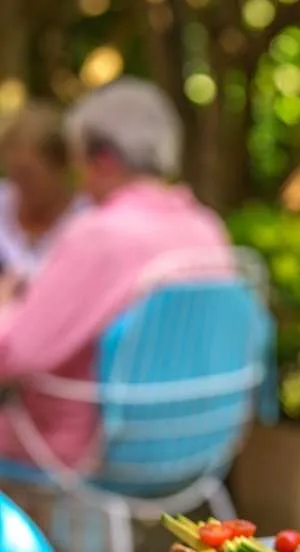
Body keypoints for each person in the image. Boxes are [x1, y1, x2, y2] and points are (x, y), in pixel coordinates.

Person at [0, 77, 230, 474]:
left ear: (103, 158)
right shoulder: (207, 228)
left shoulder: (100, 234)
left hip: (88, 448)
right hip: (201, 445)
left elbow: (14, 354)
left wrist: (7, 302)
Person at [0, 101, 83, 285]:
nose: (19, 185)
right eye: (14, 172)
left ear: (60, 167)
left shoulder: (86, 221)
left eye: (28, 174)